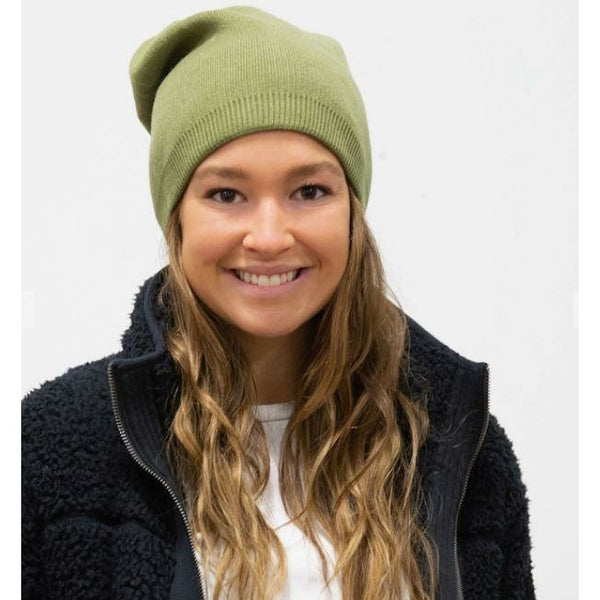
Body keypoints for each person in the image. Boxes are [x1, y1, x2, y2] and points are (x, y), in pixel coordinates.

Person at [21, 6, 536, 600]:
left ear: (352, 212)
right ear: (176, 216)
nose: (268, 237)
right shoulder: (55, 445)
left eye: (309, 190)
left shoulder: (459, 442)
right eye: (226, 194)